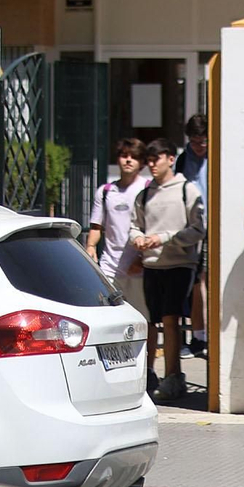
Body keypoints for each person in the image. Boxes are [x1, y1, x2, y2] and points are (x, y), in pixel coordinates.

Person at [130, 137, 206, 401]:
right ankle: (149, 373)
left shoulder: (187, 190)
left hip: (179, 264)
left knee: (171, 319)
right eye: (149, 161)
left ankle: (173, 376)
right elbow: (134, 225)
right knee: (151, 321)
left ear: (171, 159)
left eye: (157, 159)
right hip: (152, 264)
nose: (152, 165)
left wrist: (164, 238)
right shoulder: (145, 194)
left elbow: (198, 229)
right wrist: (137, 239)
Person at [87, 138, 153, 341]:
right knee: (110, 319)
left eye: (134, 157)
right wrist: (90, 247)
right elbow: (96, 226)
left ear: (142, 163)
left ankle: (148, 360)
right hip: (109, 266)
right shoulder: (106, 191)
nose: (128, 160)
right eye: (124, 156)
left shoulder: (148, 189)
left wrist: (141, 259)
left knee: (144, 320)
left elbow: (153, 227)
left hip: (139, 269)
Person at [175, 114, 210, 358]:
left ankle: (204, 336)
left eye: (203, 142)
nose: (199, 147)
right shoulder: (182, 160)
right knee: (193, 282)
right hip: (189, 226)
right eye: (195, 142)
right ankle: (196, 337)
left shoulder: (217, 157)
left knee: (204, 282)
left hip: (211, 226)